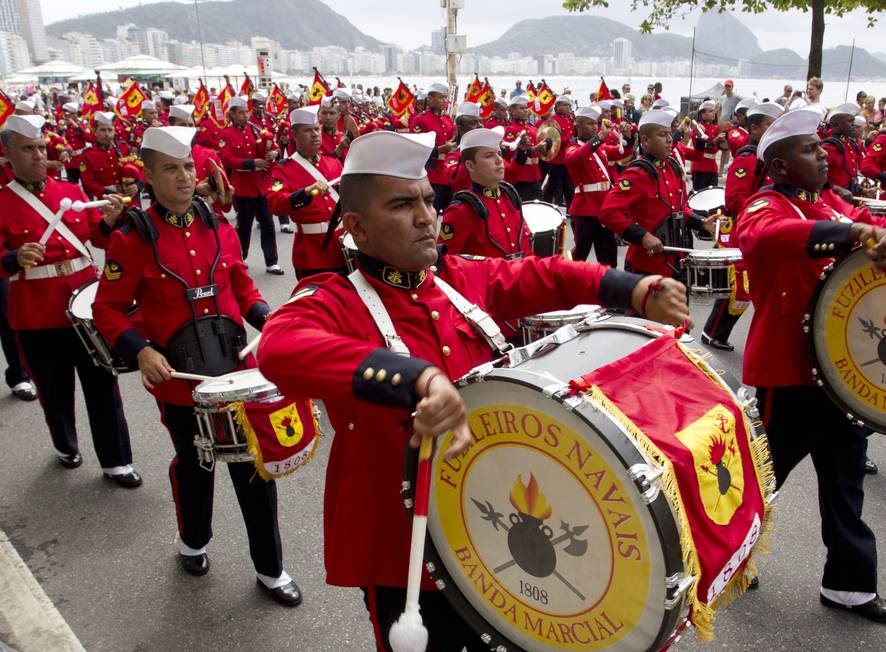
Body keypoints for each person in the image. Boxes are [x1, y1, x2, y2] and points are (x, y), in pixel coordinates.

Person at [255, 129, 689, 649]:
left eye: (427, 201)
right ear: (357, 228)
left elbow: (546, 274)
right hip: (404, 546)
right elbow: (278, 346)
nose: (425, 217)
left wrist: (632, 287)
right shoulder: (332, 299)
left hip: (493, 526)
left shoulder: (459, 278)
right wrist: (414, 376)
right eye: (402, 204)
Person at [92, 126, 302, 605]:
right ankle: (194, 541)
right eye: (171, 168)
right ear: (148, 175)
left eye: (188, 166)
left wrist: (265, 317)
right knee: (196, 464)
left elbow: (240, 284)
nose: (185, 176)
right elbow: (106, 307)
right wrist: (140, 350)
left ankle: (270, 570)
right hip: (178, 381)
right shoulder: (132, 237)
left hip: (233, 368)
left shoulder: (216, 223)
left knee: (253, 467)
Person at [735, 107, 886, 622]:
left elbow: (878, 229)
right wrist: (851, 232)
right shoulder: (763, 205)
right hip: (787, 370)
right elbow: (764, 239)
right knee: (760, 480)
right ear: (781, 166)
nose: (823, 155)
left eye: (820, 146)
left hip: (842, 368)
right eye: (809, 150)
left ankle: (849, 587)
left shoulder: (829, 201)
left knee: (845, 477)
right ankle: (727, 558)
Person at [0, 115, 141, 485]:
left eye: (41, 148)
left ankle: (116, 461)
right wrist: (13, 259)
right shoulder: (2, 202)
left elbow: (99, 239)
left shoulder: (71, 193)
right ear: (8, 154)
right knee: (54, 387)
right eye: (28, 149)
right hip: (36, 312)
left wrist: (110, 221)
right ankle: (66, 444)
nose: (37, 156)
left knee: (102, 385)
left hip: (84, 306)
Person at [700, 102, 783, 352]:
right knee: (738, 288)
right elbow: (735, 199)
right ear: (755, 128)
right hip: (747, 229)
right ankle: (712, 332)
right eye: (770, 124)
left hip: (766, 228)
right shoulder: (748, 157)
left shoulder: (766, 156)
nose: (773, 129)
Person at [599, 109, 706, 281]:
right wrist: (643, 236)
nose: (670, 139)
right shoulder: (637, 173)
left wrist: (701, 222)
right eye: (663, 135)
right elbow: (608, 213)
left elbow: (680, 208)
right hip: (646, 266)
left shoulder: (673, 167)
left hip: (676, 260)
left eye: (670, 134)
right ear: (646, 141)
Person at [267, 105, 349, 280]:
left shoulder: (332, 161)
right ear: (295, 135)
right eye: (307, 131)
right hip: (312, 254)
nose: (314, 134)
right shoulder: (284, 169)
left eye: (316, 129)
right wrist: (306, 192)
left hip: (342, 248)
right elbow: (275, 203)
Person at [439, 126, 532, 260]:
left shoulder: (510, 198)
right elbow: (444, 263)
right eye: (489, 155)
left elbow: (526, 249)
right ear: (470, 165)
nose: (499, 159)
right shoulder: (462, 210)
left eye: (499, 154)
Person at [218, 95, 283, 275]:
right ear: (231, 114)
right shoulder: (226, 134)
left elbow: (276, 147)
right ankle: (241, 257)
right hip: (243, 188)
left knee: (268, 225)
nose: (245, 116)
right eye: (240, 113)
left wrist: (274, 155)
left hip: (262, 186)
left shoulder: (256, 130)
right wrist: (252, 163)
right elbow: (227, 159)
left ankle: (272, 262)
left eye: (246, 112)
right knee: (244, 226)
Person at [566, 105, 626, 267]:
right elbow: (574, 158)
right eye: (590, 124)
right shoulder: (574, 147)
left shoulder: (599, 148)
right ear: (577, 125)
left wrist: (627, 136)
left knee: (608, 254)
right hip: (585, 209)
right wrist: (599, 137)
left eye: (595, 124)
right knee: (580, 254)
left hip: (604, 209)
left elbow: (621, 153)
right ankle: (569, 282)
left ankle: (607, 285)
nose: (595, 127)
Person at [409, 83, 456, 212]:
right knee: (430, 215)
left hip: (449, 174)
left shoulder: (447, 119)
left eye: (446, 98)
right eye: (441, 97)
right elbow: (415, 150)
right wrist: (440, 149)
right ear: (430, 99)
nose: (444, 101)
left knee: (451, 217)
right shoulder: (421, 120)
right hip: (432, 175)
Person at [79, 111, 141, 200]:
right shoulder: (88, 155)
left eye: (110, 130)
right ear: (95, 131)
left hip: (130, 199)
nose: (107, 134)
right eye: (103, 130)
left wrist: (137, 185)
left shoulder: (124, 148)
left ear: (114, 130)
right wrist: (111, 193)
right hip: (107, 202)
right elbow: (89, 183)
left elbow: (140, 169)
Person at [503, 96, 545, 201]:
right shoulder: (510, 130)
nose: (525, 110)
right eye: (521, 108)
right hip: (520, 177)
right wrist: (536, 149)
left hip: (535, 175)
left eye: (526, 108)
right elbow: (511, 152)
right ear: (512, 111)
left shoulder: (533, 128)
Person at [443, 101, 485, 194]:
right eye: (473, 122)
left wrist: (520, 154)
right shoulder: (455, 153)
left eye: (480, 121)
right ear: (460, 127)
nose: (479, 125)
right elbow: (455, 180)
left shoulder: (488, 149)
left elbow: (509, 174)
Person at [822, 102, 863, 197]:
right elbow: (814, 176)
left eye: (854, 121)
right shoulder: (830, 147)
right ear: (836, 125)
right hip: (832, 199)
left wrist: (862, 190)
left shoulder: (851, 145)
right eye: (850, 121)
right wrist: (836, 189)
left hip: (849, 197)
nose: (854, 125)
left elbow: (849, 177)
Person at [541, 95, 576, 206]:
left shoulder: (569, 118)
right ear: (558, 106)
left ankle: (571, 208)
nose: (568, 108)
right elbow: (552, 139)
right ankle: (546, 203)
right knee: (553, 184)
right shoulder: (553, 120)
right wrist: (568, 140)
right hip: (557, 158)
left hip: (567, 158)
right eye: (565, 105)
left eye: (569, 105)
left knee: (568, 185)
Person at [687, 100, 725, 191]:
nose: (713, 114)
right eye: (710, 111)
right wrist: (716, 140)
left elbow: (723, 144)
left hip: (713, 168)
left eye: (714, 111)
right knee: (699, 194)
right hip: (701, 167)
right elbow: (701, 147)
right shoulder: (699, 128)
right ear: (702, 113)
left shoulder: (714, 128)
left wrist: (719, 113)